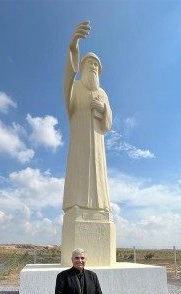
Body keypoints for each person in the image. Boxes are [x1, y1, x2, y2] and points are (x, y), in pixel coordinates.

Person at [62, 20, 113, 214]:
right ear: (82, 67)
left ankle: (99, 208)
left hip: (98, 145)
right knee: (78, 175)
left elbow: (108, 124)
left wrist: (103, 108)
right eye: (89, 63)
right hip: (79, 144)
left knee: (99, 177)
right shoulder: (75, 88)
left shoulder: (103, 93)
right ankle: (77, 205)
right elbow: (68, 77)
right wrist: (73, 47)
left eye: (95, 65)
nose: (92, 66)